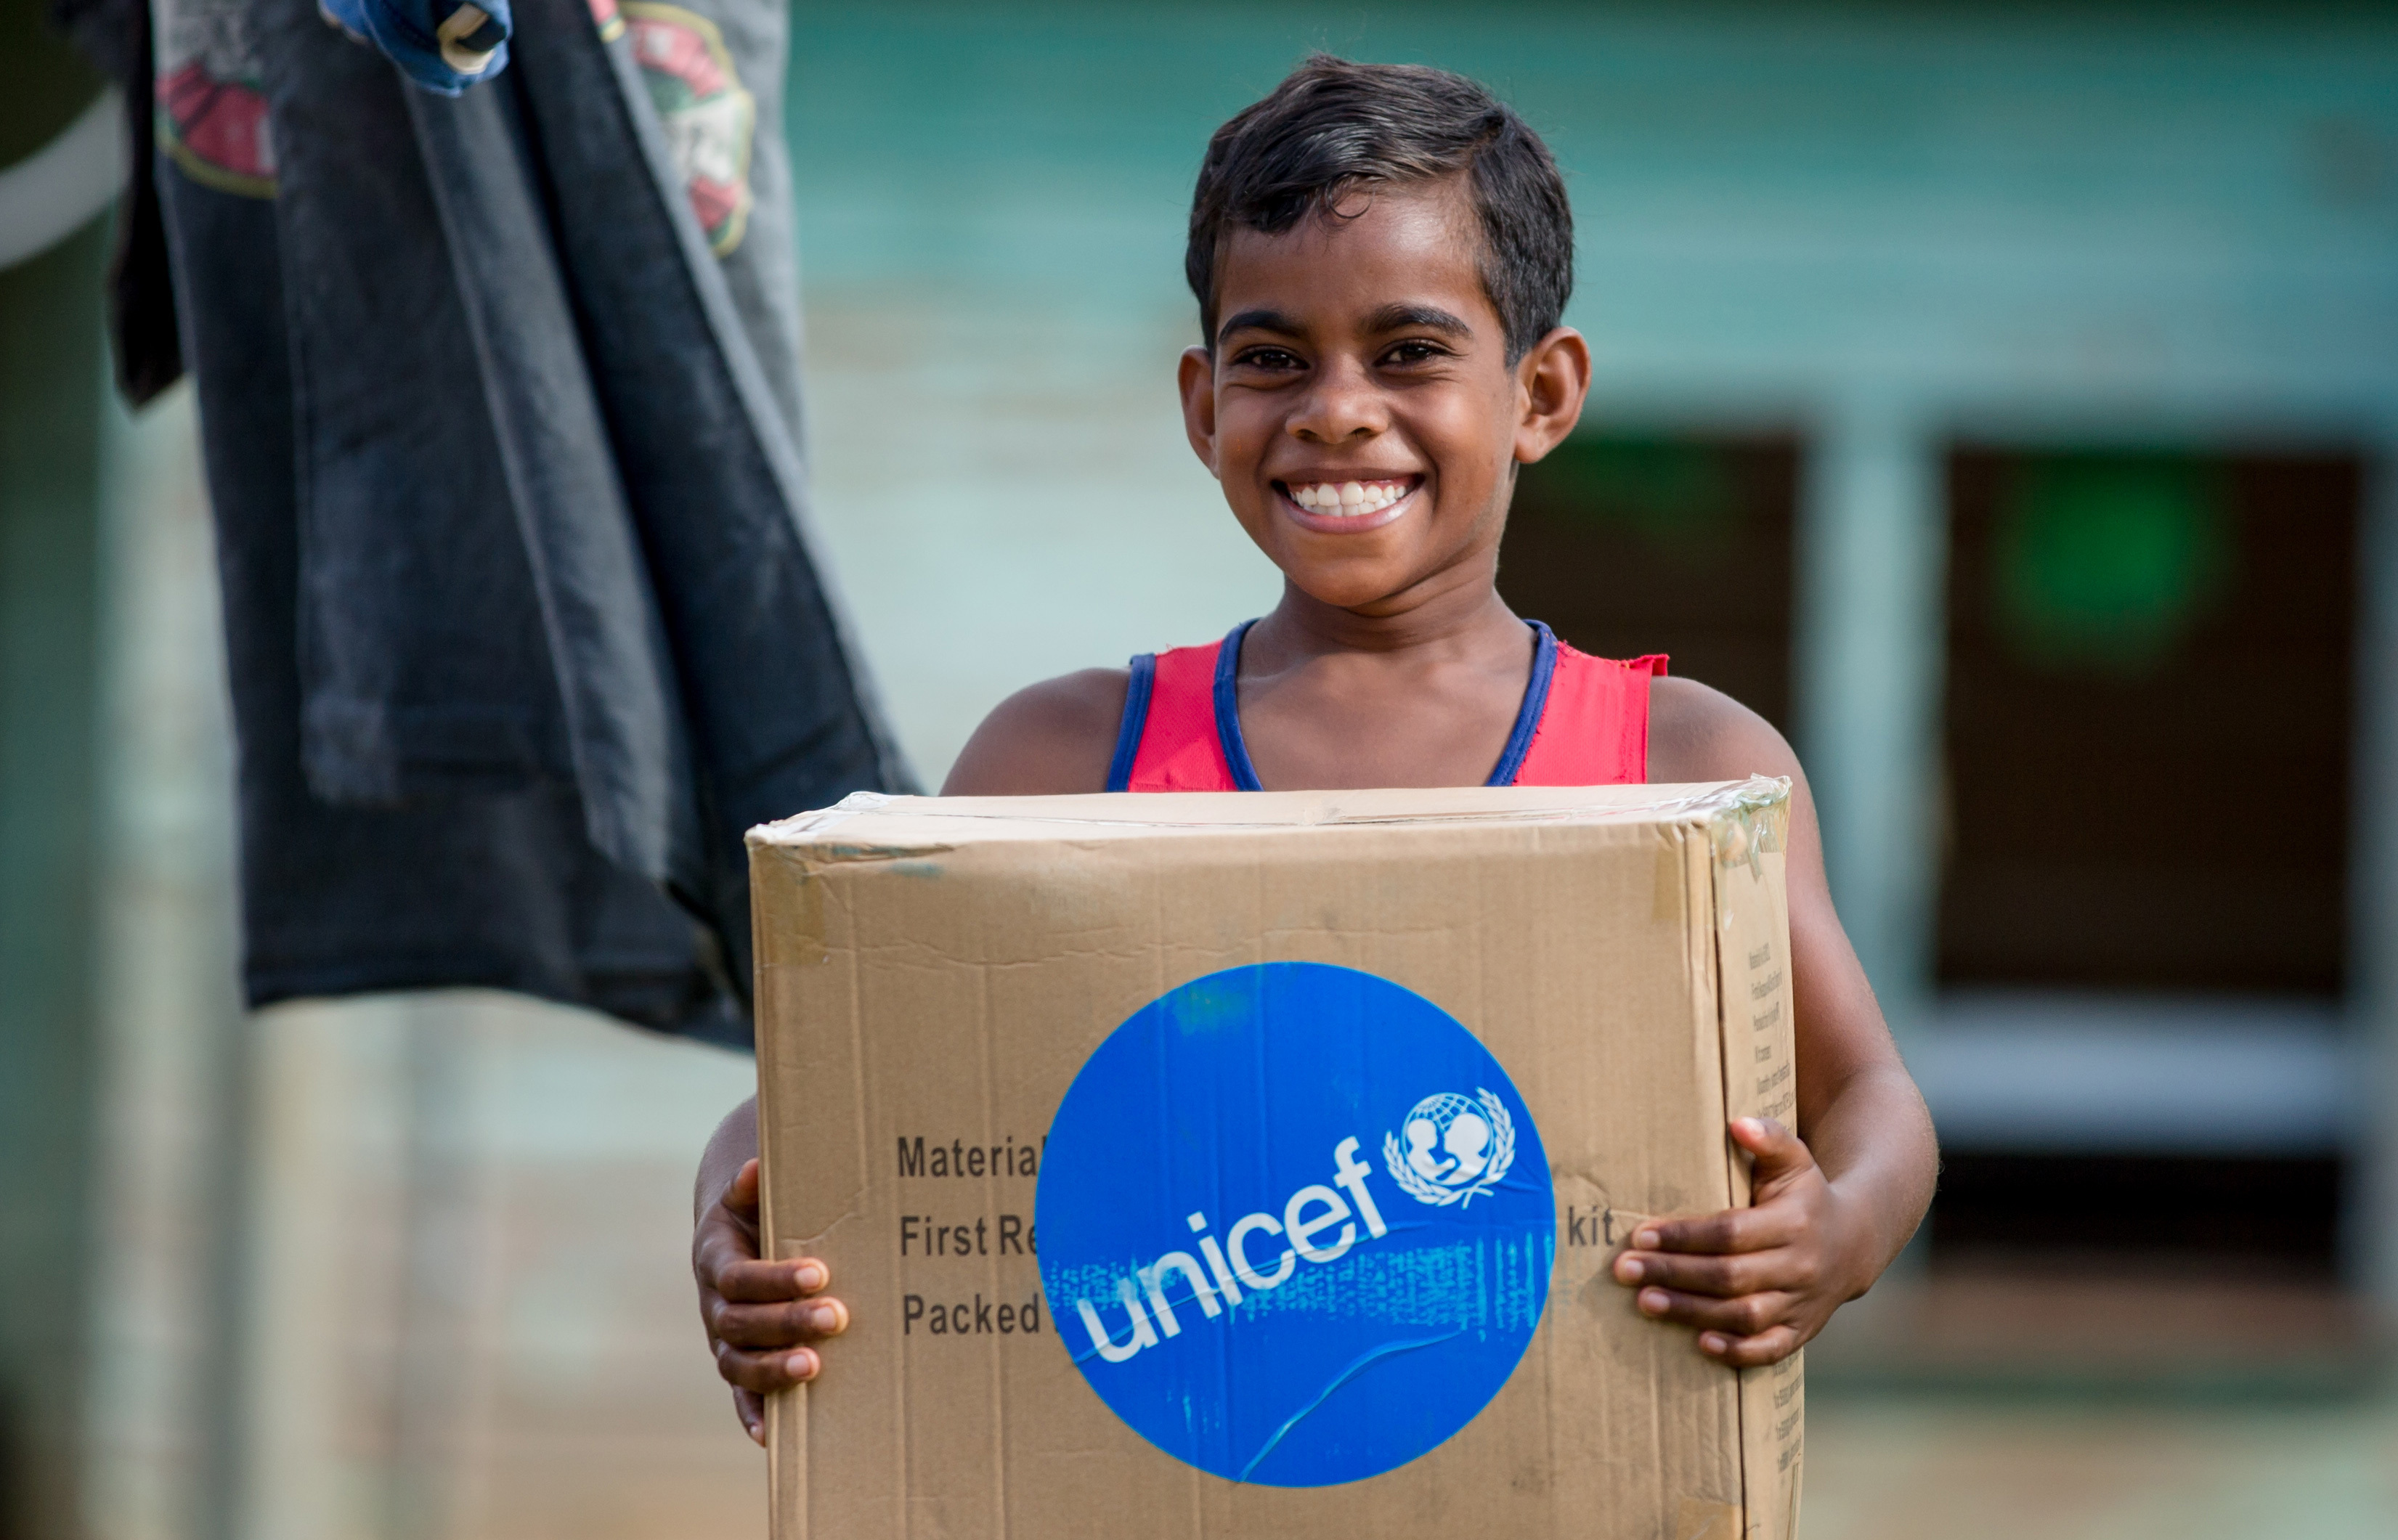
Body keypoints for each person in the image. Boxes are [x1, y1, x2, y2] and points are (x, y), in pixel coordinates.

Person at [691, 54, 1938, 1445]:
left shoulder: (1682, 765)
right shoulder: (1064, 756)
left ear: (1541, 394)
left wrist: (1833, 1238)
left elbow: (1871, 1099)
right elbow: (831, 1097)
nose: (1334, 408)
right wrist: (734, 1229)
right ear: (1198, 403)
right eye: (1271, 357)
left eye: (1407, 352)